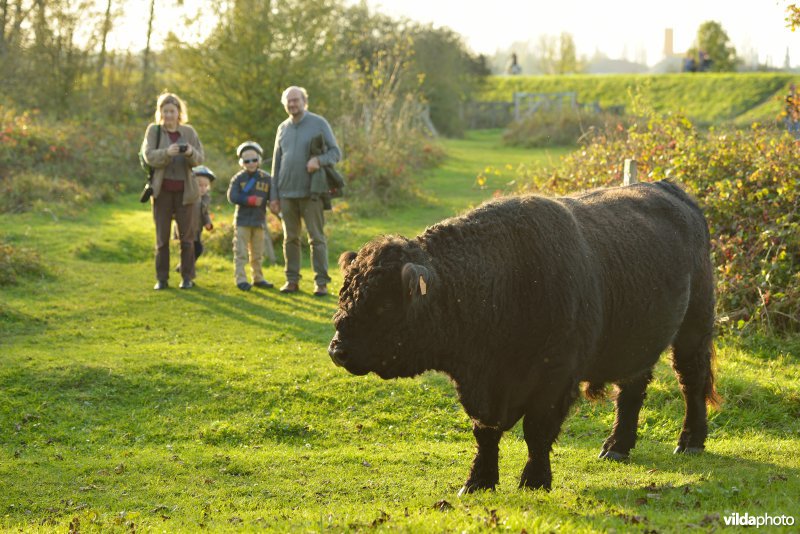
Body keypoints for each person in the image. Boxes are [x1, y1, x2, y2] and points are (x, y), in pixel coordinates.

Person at [271, 86, 341, 297]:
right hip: (286, 193)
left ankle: (321, 283)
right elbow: (276, 163)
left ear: (304, 101)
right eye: (288, 101)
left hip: (312, 192)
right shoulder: (282, 127)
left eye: (296, 100)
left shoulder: (319, 123)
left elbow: (335, 153)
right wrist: (273, 195)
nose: (292, 104)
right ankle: (292, 280)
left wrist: (318, 160)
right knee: (290, 238)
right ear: (285, 104)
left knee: (316, 238)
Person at [141, 92, 204, 290]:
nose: (168, 115)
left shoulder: (189, 132)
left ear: (179, 113)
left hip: (187, 193)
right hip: (162, 192)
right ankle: (162, 279)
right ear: (160, 113)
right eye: (165, 111)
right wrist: (166, 153)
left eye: (172, 111)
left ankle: (187, 277)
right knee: (162, 238)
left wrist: (190, 152)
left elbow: (200, 158)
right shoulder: (154, 131)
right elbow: (149, 156)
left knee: (187, 238)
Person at [227, 141, 278, 291]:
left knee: (257, 253)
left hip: (259, 221)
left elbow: (272, 197)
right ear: (241, 162)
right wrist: (249, 200)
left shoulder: (267, 178)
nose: (251, 163)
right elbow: (232, 196)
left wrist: (276, 206)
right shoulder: (238, 178)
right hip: (242, 221)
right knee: (241, 252)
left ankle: (258, 278)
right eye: (246, 160)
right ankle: (241, 279)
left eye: (254, 160)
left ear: (259, 160)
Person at [175, 165, 216, 274]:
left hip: (197, 229)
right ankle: (187, 270)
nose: (203, 188)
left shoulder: (204, 199)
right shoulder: (188, 198)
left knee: (197, 249)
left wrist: (208, 223)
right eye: (199, 185)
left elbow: (205, 213)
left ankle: (184, 266)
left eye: (205, 186)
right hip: (186, 228)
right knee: (191, 249)